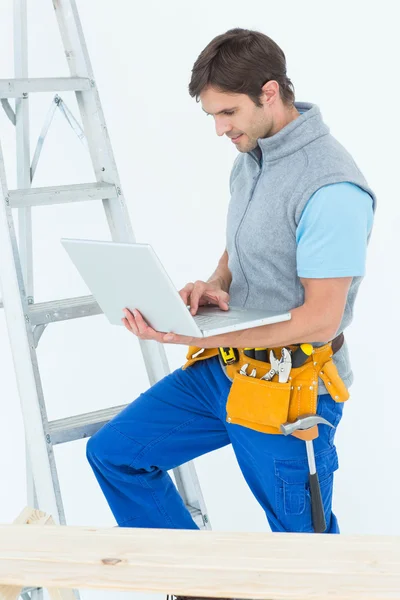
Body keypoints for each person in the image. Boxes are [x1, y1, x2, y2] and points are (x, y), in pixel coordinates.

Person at [86, 28, 376, 545]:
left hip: (291, 393)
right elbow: (243, 243)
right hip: (228, 370)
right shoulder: (253, 155)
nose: (220, 129)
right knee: (116, 454)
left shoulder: (331, 187)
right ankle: (199, 586)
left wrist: (194, 337)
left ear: (269, 92)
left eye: (227, 113)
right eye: (213, 116)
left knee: (303, 554)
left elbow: (320, 318)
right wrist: (215, 283)